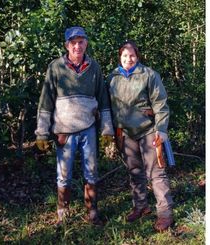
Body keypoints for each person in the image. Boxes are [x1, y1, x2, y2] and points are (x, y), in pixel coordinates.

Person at [34, 26, 114, 226]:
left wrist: (107, 130)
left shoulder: (94, 67)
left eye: (81, 42)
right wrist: (42, 133)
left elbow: (103, 100)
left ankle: (92, 212)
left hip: (88, 128)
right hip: (64, 131)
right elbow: (46, 101)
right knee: (64, 174)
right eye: (73, 43)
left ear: (86, 44)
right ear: (66, 45)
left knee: (91, 172)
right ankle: (63, 214)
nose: (77, 46)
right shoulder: (55, 67)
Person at [106, 40, 174, 232]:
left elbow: (160, 103)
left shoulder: (149, 74)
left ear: (138, 56)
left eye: (132, 55)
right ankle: (140, 206)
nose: (128, 59)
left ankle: (165, 214)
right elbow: (108, 106)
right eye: (125, 56)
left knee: (156, 173)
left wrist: (161, 129)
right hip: (126, 134)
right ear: (120, 57)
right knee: (135, 172)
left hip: (148, 131)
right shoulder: (113, 77)